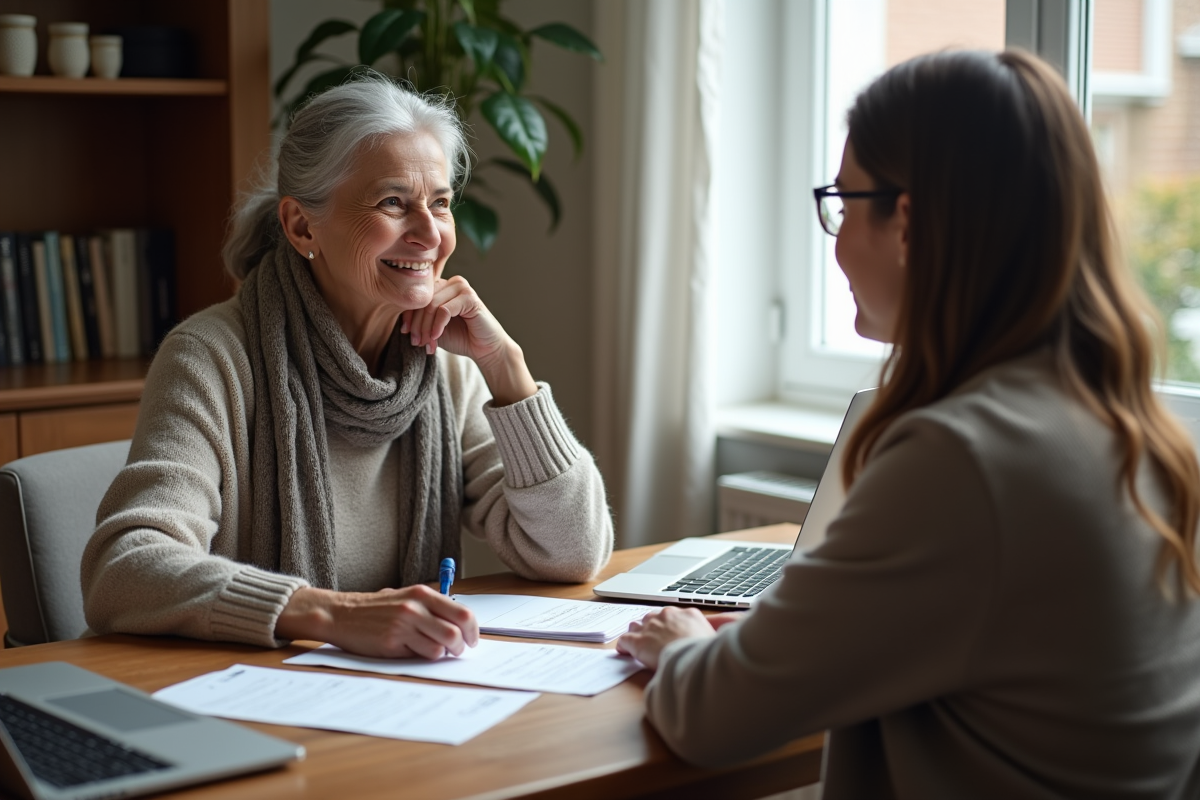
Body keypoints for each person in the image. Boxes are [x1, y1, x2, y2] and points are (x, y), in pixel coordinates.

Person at [617, 49, 1200, 799]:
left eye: (844, 203)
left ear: (906, 221)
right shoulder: (1133, 431)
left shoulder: (965, 461)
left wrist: (682, 647)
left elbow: (714, 718)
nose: (835, 241)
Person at [81, 76, 613, 660]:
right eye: (393, 202)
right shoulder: (211, 357)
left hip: (398, 690)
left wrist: (507, 370)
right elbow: (124, 568)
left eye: (440, 202)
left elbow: (574, 553)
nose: (431, 234)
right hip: (250, 691)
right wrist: (330, 613)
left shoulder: (447, 367)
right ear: (303, 226)